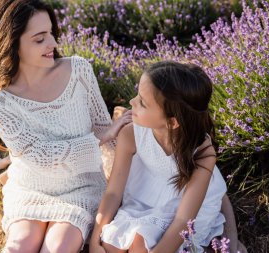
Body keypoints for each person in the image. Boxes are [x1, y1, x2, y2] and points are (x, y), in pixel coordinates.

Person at [0, 0, 131, 252]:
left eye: (51, 34)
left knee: (58, 246)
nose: (53, 44)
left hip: (83, 186)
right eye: (39, 39)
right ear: (11, 43)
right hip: (30, 187)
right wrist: (99, 140)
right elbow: (40, 157)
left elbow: (104, 129)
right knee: (20, 245)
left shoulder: (79, 70)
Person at [89, 61, 247, 253]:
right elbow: (113, 193)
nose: (131, 102)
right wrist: (95, 240)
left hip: (184, 204)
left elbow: (182, 220)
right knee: (112, 244)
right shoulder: (131, 134)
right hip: (145, 193)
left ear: (172, 122)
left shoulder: (203, 154)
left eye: (142, 103)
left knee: (141, 245)